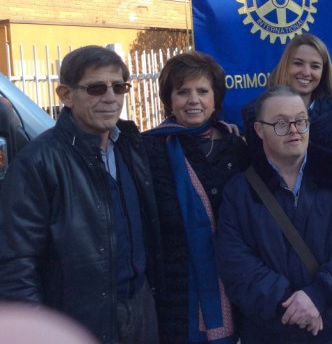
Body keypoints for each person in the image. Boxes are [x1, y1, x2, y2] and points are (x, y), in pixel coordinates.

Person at [0, 45, 162, 344]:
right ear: (66, 95)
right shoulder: (38, 162)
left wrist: (223, 131)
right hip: (78, 320)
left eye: (119, 87)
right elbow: (17, 262)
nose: (111, 98)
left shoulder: (132, 147)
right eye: (96, 88)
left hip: (140, 311)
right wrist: (36, 334)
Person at [217, 86, 332, 343]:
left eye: (301, 121)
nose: (294, 130)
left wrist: (317, 295)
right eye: (281, 123)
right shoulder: (239, 192)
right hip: (268, 333)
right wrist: (291, 305)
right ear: (259, 130)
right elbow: (235, 264)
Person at [142, 51, 249, 344]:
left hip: (235, 279)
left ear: (215, 98)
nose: (193, 100)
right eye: (183, 92)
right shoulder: (147, 149)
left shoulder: (236, 147)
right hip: (176, 288)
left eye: (202, 91)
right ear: (169, 99)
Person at [242, 33, 332, 162]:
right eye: (298, 63)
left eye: (315, 66)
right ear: (285, 66)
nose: (306, 72)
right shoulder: (256, 114)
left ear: (323, 71)